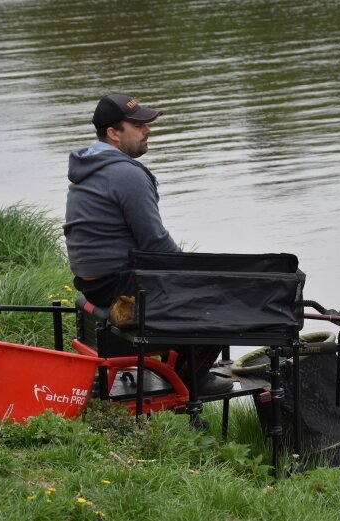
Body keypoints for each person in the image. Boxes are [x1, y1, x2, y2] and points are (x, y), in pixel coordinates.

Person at [64, 93, 232, 395]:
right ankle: (189, 379)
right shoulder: (126, 174)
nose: (147, 130)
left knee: (196, 282)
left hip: (96, 283)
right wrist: (196, 275)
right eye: (138, 125)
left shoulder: (90, 165)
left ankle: (178, 365)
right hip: (120, 286)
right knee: (221, 296)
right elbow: (155, 244)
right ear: (114, 134)